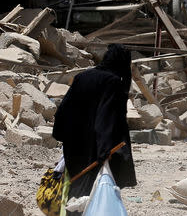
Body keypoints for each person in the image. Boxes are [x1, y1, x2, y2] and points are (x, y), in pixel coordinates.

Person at [52, 44, 137, 214]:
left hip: (74, 144)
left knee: (76, 187)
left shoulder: (82, 77)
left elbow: (63, 109)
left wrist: (60, 133)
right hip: (96, 147)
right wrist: (105, 151)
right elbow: (105, 118)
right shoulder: (112, 82)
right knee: (92, 189)